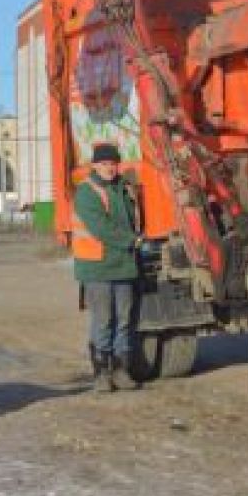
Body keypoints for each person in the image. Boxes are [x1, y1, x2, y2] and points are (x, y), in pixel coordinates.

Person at [72, 142, 141, 392]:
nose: (109, 168)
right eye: (104, 164)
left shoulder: (122, 188)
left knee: (124, 321)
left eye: (113, 163)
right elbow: (101, 227)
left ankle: (121, 371)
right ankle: (101, 374)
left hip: (123, 266)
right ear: (94, 166)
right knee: (104, 320)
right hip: (97, 268)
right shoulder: (86, 192)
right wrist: (131, 240)